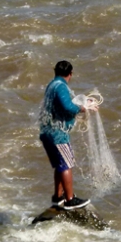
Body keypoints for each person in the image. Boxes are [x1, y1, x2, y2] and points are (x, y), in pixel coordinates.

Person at [38, 60, 91, 209]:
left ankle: (57, 197)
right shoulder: (61, 87)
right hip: (57, 134)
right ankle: (69, 199)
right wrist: (82, 108)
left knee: (59, 165)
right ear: (70, 74)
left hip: (47, 132)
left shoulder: (51, 85)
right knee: (67, 164)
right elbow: (67, 107)